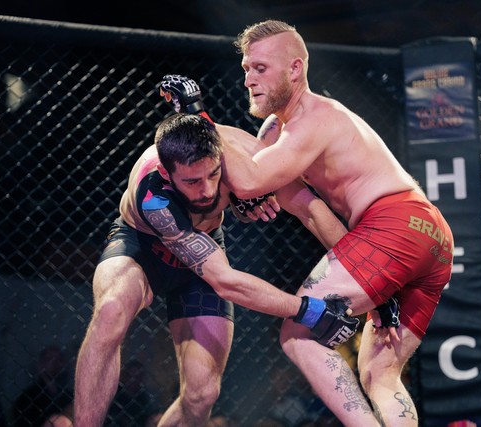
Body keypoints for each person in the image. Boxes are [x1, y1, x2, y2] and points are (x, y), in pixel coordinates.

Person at [205, 19, 454, 426]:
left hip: (393, 224)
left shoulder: (314, 119)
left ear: (295, 69)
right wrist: (378, 289)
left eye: (260, 68)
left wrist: (198, 119)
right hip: (429, 235)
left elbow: (249, 179)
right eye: (246, 68)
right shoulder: (278, 131)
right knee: (380, 373)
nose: (248, 79)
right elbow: (310, 211)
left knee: (298, 334)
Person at [73, 113, 361, 426]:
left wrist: (363, 274)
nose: (208, 190)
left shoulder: (241, 156)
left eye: (213, 175)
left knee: (202, 394)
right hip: (142, 248)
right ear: (166, 173)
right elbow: (226, 282)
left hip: (202, 252)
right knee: (111, 311)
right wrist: (310, 311)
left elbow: (310, 209)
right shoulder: (154, 195)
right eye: (192, 182)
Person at [12, 345, 73, 427]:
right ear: (40, 364)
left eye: (59, 359)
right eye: (49, 359)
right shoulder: (27, 398)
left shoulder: (70, 396)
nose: (55, 363)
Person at [106, 359, 157, 426]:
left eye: (138, 376)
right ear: (124, 376)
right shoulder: (114, 392)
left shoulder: (142, 397)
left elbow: (144, 419)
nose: (134, 380)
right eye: (130, 375)